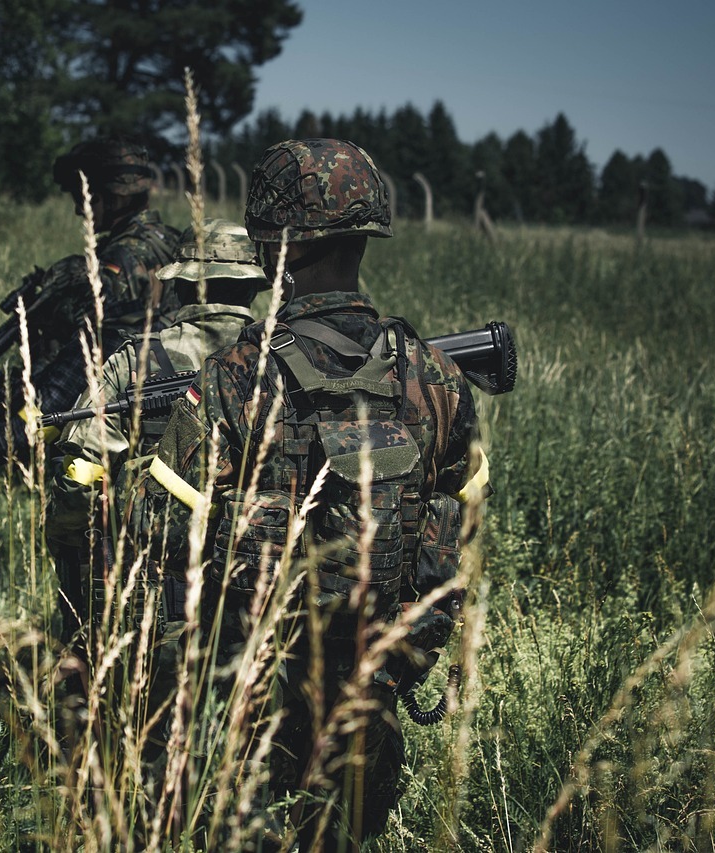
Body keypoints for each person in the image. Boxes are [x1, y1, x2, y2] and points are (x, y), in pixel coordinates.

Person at [125, 138, 485, 850]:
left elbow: (159, 525)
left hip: (250, 707)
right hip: (370, 702)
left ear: (269, 246)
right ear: (365, 234)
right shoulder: (439, 375)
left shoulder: (234, 374)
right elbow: (460, 536)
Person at [45, 217, 268, 651]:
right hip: (264, 586)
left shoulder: (136, 362)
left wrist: (71, 547)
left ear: (182, 285)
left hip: (158, 596)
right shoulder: (283, 358)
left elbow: (79, 481)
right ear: (251, 288)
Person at [0, 136, 181, 470]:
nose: (79, 210)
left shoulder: (119, 261)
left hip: (119, 427)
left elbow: (86, 364)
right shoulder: (171, 241)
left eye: (84, 198)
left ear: (110, 198)